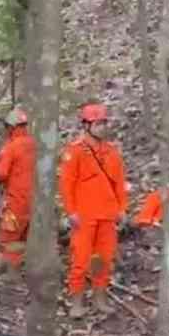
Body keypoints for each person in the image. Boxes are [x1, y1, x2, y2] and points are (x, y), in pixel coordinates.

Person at [59, 103, 128, 318]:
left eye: (104, 122)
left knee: (104, 259)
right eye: (98, 123)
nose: (103, 127)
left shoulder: (112, 152)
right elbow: (66, 183)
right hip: (84, 215)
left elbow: (119, 184)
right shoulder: (75, 151)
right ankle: (77, 302)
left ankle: (100, 299)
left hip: (108, 215)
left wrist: (122, 209)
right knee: (80, 260)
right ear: (86, 125)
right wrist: (71, 211)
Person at [0, 107, 36, 270]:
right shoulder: (36, 144)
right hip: (36, 201)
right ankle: (22, 264)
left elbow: (1, 174)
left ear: (11, 127)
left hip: (16, 199)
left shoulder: (11, 147)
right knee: (25, 236)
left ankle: (11, 270)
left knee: (9, 237)